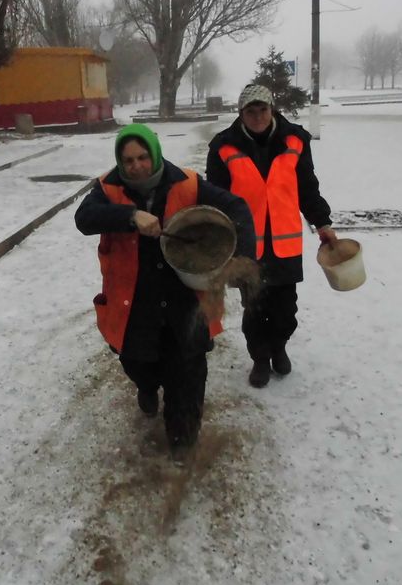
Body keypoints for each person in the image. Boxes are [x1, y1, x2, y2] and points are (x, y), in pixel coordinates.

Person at [75, 124, 256, 452]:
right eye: (128, 160)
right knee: (139, 364)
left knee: (187, 375)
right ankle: (147, 387)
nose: (136, 166)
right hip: (135, 301)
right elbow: (84, 218)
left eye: (143, 157)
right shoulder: (108, 187)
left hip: (184, 297)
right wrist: (131, 216)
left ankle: (182, 444)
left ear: (155, 154)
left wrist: (241, 257)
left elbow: (238, 208)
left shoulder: (186, 182)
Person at [206, 84, 337, 388]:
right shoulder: (223, 147)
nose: (257, 117)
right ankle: (260, 358)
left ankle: (279, 346)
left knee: (285, 308)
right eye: (250, 111)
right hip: (246, 247)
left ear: (272, 109)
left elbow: (307, 188)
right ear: (241, 114)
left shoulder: (294, 140)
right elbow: (217, 198)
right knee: (254, 307)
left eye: (262, 110)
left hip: (285, 242)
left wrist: (323, 223)